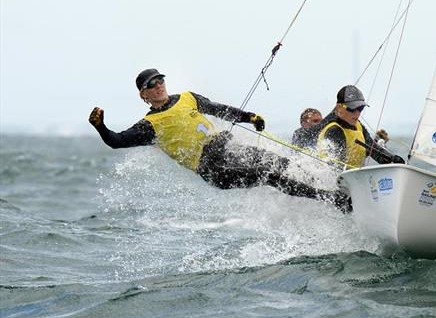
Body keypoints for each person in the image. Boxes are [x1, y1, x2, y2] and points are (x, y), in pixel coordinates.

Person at [88, 68, 350, 211]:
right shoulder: (150, 125)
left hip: (227, 148)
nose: (158, 85)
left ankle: (332, 183)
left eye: (160, 80)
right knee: (267, 173)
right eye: (151, 84)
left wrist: (249, 116)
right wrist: (101, 127)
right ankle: (332, 199)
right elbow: (117, 140)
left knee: (279, 161)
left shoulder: (188, 98)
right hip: (213, 169)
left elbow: (218, 109)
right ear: (143, 95)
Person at [316, 85, 405, 169]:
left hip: (354, 180)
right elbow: (335, 169)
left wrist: (392, 158)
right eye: (352, 109)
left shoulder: (359, 126)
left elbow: (373, 150)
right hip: (336, 182)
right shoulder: (334, 130)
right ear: (339, 108)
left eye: (360, 108)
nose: (357, 113)